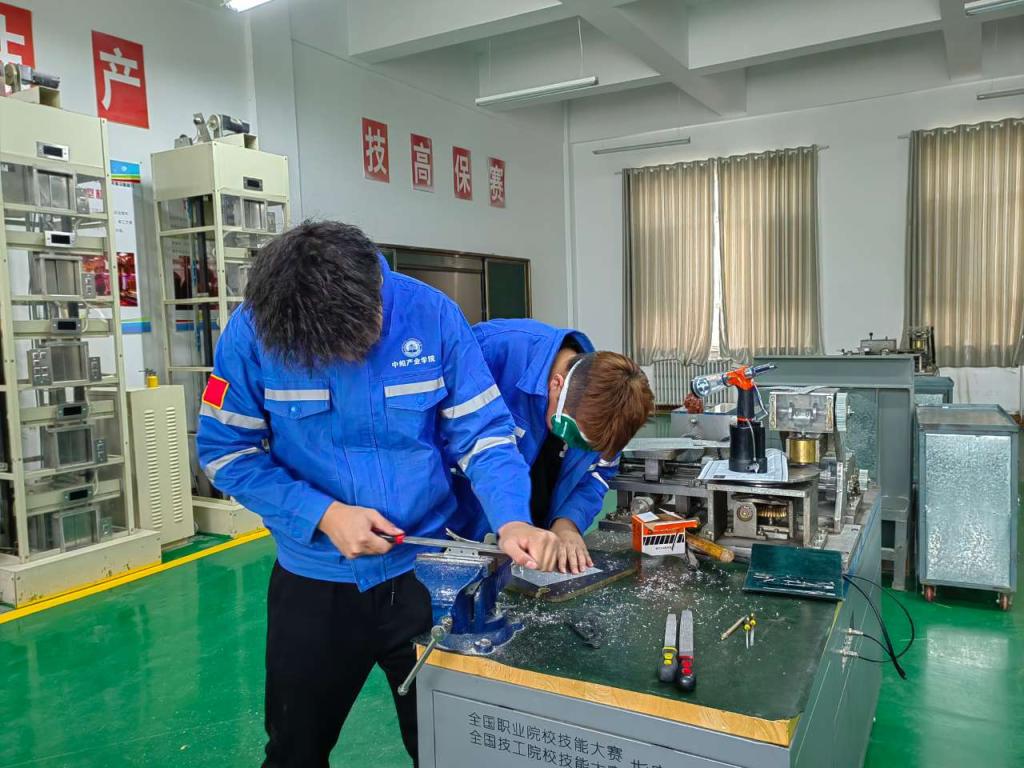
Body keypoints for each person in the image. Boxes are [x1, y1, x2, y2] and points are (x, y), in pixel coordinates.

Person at [195, 221, 560, 768]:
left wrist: (512, 519)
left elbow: (483, 434)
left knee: (446, 746)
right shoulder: (254, 330)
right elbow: (226, 452)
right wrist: (322, 514)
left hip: (428, 577)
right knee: (295, 750)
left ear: (376, 301)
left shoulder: (432, 316)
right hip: (313, 582)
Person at [450, 319, 655, 574]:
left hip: (529, 541)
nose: (571, 445)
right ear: (556, 385)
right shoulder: (490, 351)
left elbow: (600, 471)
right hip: (453, 530)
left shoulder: (611, 410)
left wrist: (567, 524)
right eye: (570, 433)